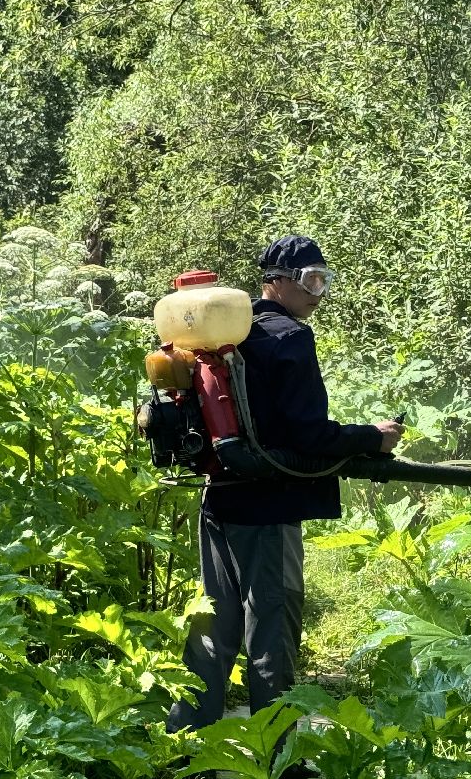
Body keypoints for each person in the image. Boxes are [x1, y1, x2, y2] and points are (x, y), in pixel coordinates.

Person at [167, 235, 403, 740]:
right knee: (272, 631)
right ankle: (278, 756)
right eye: (312, 281)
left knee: (213, 627)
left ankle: (183, 745)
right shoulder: (289, 337)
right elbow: (309, 435)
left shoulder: (228, 333)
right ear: (276, 281)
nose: (320, 293)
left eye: (324, 280)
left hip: (219, 496)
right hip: (268, 506)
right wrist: (372, 437)